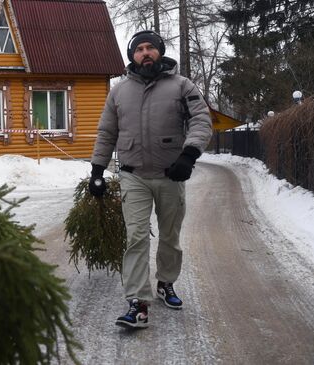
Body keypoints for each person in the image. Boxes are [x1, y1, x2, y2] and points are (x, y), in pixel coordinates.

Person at [89, 30, 212, 329]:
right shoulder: (118, 91)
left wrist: (189, 154)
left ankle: (165, 283)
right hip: (133, 176)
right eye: (139, 49)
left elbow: (201, 119)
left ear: (160, 52)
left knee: (170, 235)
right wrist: (96, 170)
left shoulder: (182, 85)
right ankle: (138, 302)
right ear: (132, 56)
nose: (145, 53)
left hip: (171, 174)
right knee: (136, 238)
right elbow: (107, 133)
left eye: (150, 48)